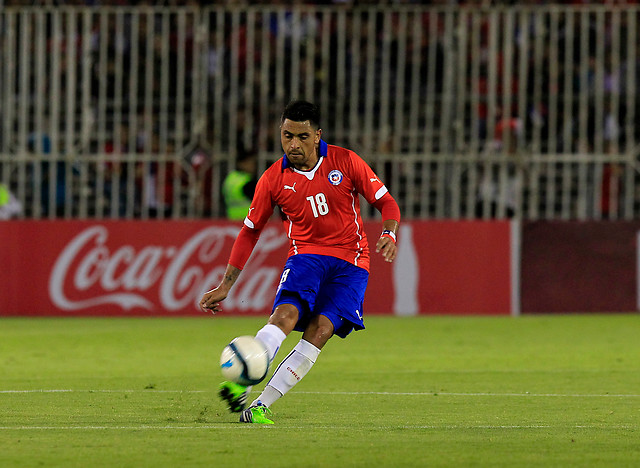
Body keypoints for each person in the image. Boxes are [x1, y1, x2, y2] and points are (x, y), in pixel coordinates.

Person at [199, 100, 401, 424]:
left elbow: (387, 203)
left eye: (302, 136)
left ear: (318, 135)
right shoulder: (272, 179)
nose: (293, 144)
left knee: (320, 330)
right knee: (286, 315)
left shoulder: (346, 161)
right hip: (306, 256)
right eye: (287, 135)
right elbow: (250, 232)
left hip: (352, 263)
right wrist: (226, 284)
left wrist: (389, 234)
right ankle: (240, 382)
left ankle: (260, 406)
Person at [221, 151, 257, 220]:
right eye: (250, 163)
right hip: (248, 219)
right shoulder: (246, 182)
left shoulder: (230, 178)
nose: (253, 166)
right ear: (241, 164)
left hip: (231, 218)